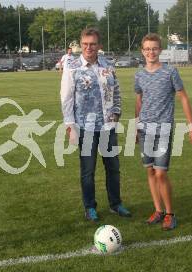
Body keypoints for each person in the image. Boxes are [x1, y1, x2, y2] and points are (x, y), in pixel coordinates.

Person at [60, 28, 131, 222]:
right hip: (85, 127)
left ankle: (116, 204)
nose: (88, 48)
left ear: (99, 45)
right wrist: (69, 124)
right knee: (88, 171)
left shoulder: (108, 64)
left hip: (108, 125)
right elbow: (66, 97)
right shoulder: (72, 66)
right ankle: (90, 207)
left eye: (92, 44)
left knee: (113, 168)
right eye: (85, 44)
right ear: (80, 45)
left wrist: (116, 112)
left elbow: (116, 90)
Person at [135, 33, 192, 230]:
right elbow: (139, 100)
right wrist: (137, 126)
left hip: (163, 129)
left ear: (160, 50)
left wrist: (191, 126)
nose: (151, 52)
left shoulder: (170, 72)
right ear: (142, 51)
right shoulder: (139, 74)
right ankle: (158, 210)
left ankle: (170, 213)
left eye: (154, 48)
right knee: (150, 171)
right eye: (147, 49)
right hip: (145, 129)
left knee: (161, 173)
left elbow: (184, 98)